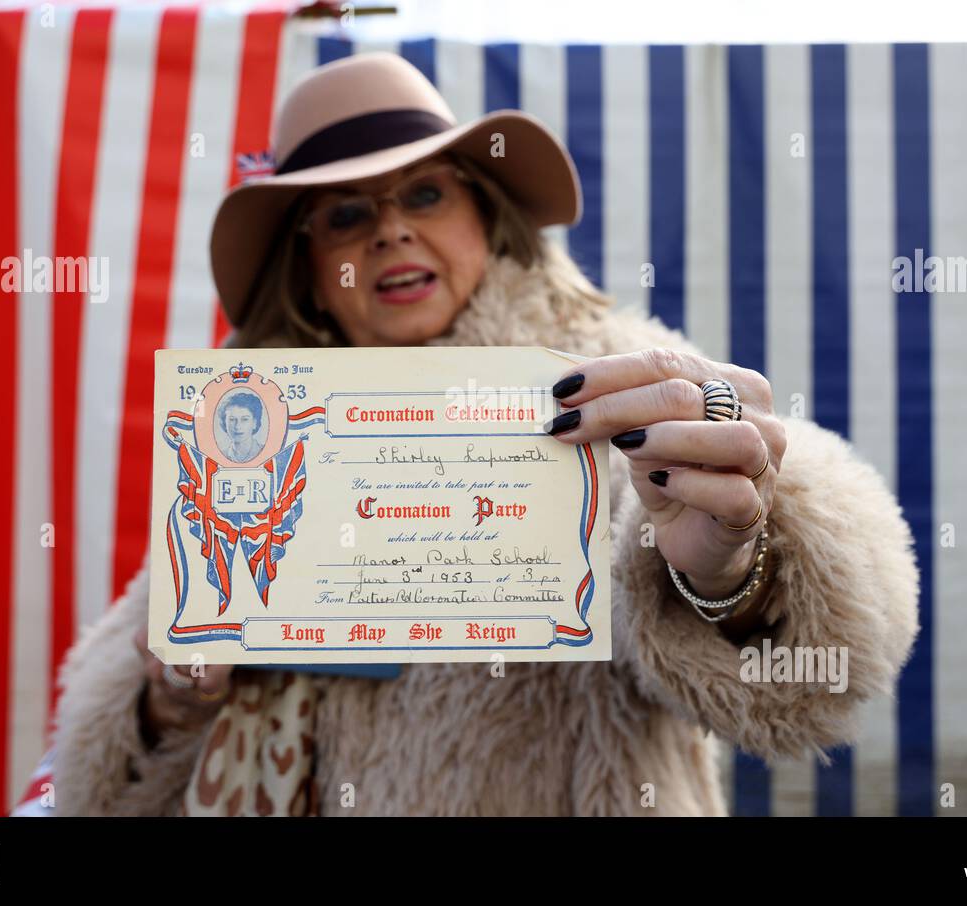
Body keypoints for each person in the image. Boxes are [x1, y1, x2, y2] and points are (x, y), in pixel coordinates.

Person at [51, 52, 919, 816]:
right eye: (346, 215)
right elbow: (97, 779)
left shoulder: (615, 385)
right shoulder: (246, 432)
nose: (390, 228)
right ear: (309, 270)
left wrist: (731, 566)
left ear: (485, 214)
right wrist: (166, 699)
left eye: (424, 192)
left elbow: (826, 673)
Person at [217, 391, 266, 463]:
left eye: (244, 419)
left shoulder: (265, 453)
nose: (237, 426)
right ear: (225, 423)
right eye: (232, 419)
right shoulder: (220, 456)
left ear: (255, 423)